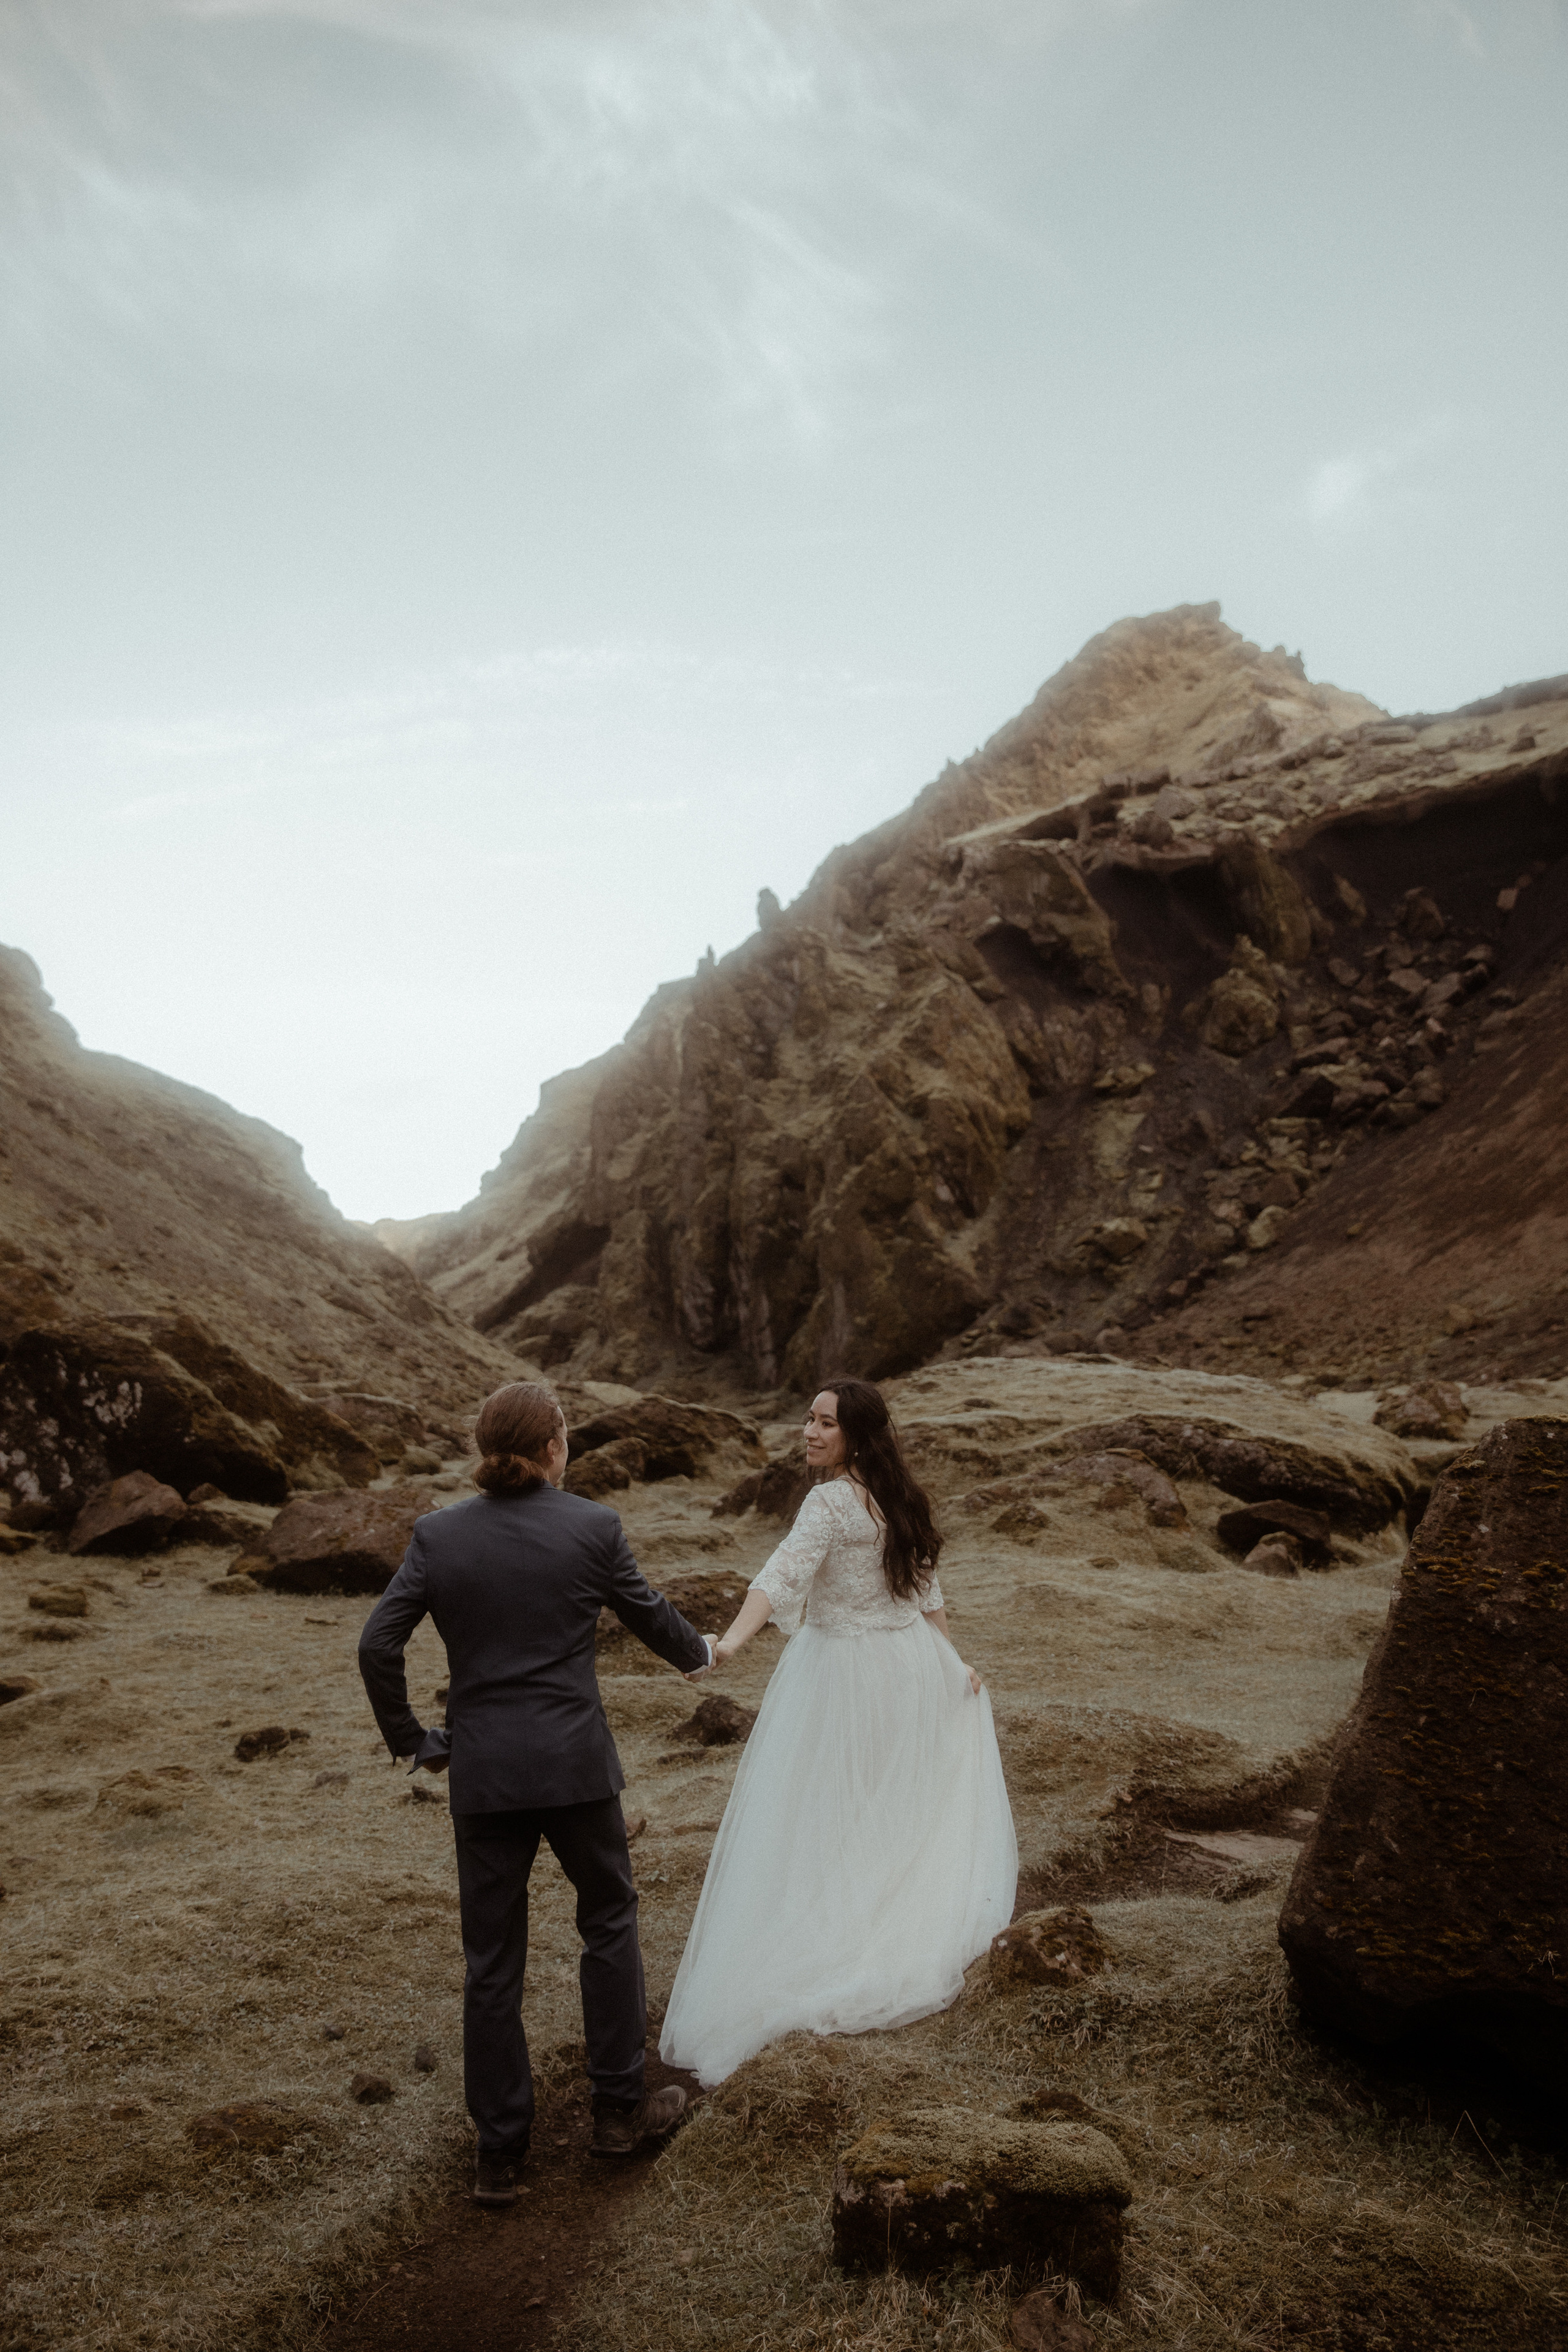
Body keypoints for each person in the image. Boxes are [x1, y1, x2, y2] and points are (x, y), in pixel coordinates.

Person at [357, 1380, 714, 2206]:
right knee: (609, 1920)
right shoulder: (593, 1526)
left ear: (486, 1447)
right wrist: (699, 1655)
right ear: (554, 1446)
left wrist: (416, 1741)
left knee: (491, 1961)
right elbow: (649, 1614)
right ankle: (619, 2113)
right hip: (576, 1767)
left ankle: (500, 2155)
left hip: (484, 1775)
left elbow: (378, 1643)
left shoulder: (438, 1536)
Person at [660, 1376, 1017, 2086]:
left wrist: (727, 1644)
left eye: (825, 1423)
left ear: (857, 1433)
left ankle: (842, 1937)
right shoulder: (898, 1498)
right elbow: (923, 1593)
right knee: (882, 1802)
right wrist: (947, 1662)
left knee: (825, 1809)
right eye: (808, 1419)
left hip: (847, 1674)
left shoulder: (829, 1500)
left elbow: (782, 1575)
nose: (810, 1432)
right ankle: (873, 1920)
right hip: (903, 1666)